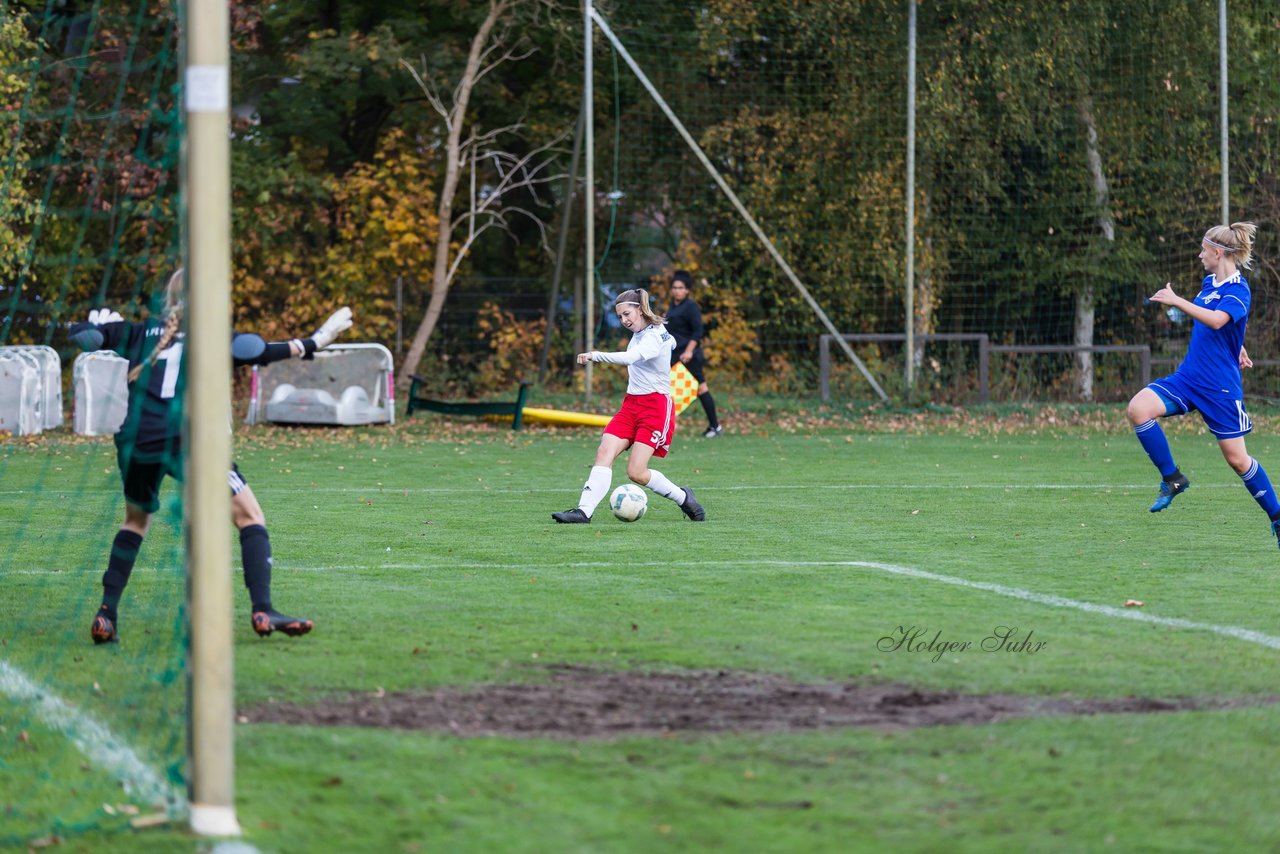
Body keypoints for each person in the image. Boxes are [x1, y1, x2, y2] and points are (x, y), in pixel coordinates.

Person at [68, 268, 354, 643]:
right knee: (250, 516)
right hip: (190, 439)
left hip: (136, 441)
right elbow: (262, 351)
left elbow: (83, 337)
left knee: (135, 522)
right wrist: (318, 339)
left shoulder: (138, 332)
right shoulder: (212, 338)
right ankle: (263, 608)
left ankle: (106, 614)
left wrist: (95, 322)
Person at [1126, 221, 1280, 545]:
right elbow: (1219, 327)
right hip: (1189, 377)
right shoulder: (1209, 283)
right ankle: (1173, 478)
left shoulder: (1239, 288)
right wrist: (1236, 345)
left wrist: (1177, 301)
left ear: (1218, 252)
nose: (1199, 256)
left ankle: (1277, 517)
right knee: (1138, 409)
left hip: (1220, 388)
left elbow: (1217, 319)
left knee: (1238, 460)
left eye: (1203, 250)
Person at [551, 288, 706, 524]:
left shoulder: (654, 335)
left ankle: (684, 498)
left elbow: (631, 357)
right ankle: (583, 512)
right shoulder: (646, 331)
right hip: (631, 404)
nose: (624, 320)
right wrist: (671, 343)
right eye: (621, 316)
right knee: (604, 451)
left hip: (655, 407)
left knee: (636, 473)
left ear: (640, 309)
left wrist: (595, 355)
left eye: (627, 314)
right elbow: (671, 342)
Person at [665, 269, 723, 438]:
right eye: (675, 287)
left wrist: (689, 351)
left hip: (689, 355)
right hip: (674, 355)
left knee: (701, 388)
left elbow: (697, 332)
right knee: (666, 390)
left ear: (687, 290)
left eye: (681, 287)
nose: (677, 290)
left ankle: (715, 427)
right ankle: (663, 427)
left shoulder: (691, 307)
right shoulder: (671, 307)